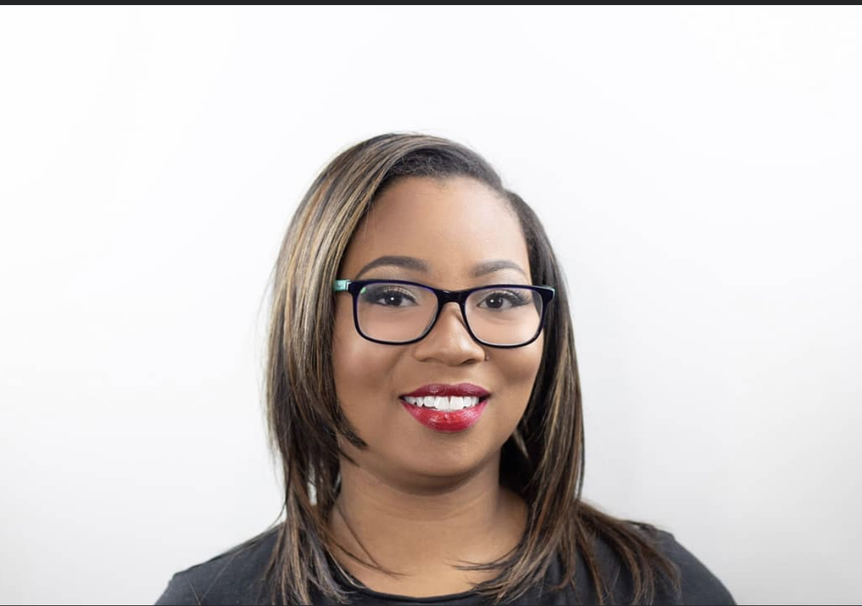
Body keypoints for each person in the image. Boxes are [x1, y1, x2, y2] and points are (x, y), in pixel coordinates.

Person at [155, 133, 736, 605]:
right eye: (393, 296)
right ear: (309, 326)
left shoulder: (660, 588)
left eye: (500, 299)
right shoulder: (209, 600)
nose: (456, 345)